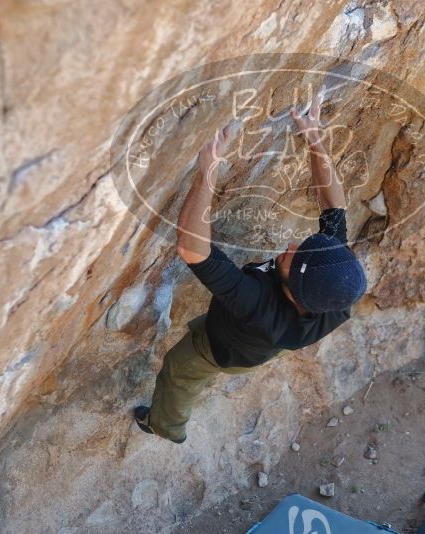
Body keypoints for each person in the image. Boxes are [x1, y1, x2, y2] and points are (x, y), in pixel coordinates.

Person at [134, 95, 367, 443]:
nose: (290, 247)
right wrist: (314, 138)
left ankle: (164, 425)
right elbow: (334, 205)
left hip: (222, 348)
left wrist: (208, 171)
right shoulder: (336, 280)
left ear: (295, 293)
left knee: (179, 371)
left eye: (294, 258)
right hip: (253, 338)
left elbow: (192, 249)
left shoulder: (260, 308)